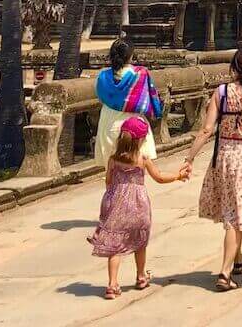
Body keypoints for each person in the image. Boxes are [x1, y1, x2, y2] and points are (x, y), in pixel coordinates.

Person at [182, 48, 242, 292]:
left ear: (233, 68)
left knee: (233, 210)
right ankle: (225, 273)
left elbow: (206, 130)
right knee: (236, 218)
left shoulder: (221, 92)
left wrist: (189, 158)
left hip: (226, 158)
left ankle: (237, 259)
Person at [89, 116, 190, 299]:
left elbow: (108, 182)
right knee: (140, 242)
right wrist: (177, 176)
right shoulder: (142, 159)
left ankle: (112, 285)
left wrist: (112, 198)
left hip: (116, 204)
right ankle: (141, 276)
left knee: (115, 247)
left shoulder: (113, 160)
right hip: (138, 205)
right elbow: (159, 177)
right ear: (141, 140)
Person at [94, 39, 160, 167]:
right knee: (137, 167)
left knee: (111, 168)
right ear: (130, 55)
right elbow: (150, 98)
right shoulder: (140, 74)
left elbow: (100, 97)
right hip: (133, 123)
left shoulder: (103, 76)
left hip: (109, 120)